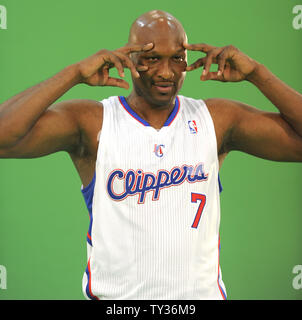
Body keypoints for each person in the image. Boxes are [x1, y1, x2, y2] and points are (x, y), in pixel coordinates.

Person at [0, 10, 301, 300]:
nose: (166, 72)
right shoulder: (93, 122)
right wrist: (74, 73)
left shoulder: (215, 119)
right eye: (152, 59)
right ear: (128, 59)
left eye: (177, 59)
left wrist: (258, 74)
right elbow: (4, 134)